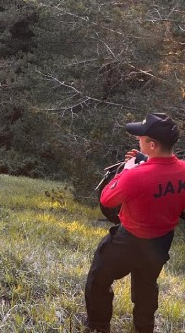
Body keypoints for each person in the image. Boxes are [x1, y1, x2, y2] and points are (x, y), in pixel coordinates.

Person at [85, 113, 185, 333]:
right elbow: (163, 178)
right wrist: (146, 160)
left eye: (141, 137)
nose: (137, 140)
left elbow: (107, 199)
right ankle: (144, 327)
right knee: (146, 284)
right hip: (161, 241)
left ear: (151, 144)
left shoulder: (135, 176)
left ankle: (99, 327)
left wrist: (128, 169)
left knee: (98, 279)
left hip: (129, 241)